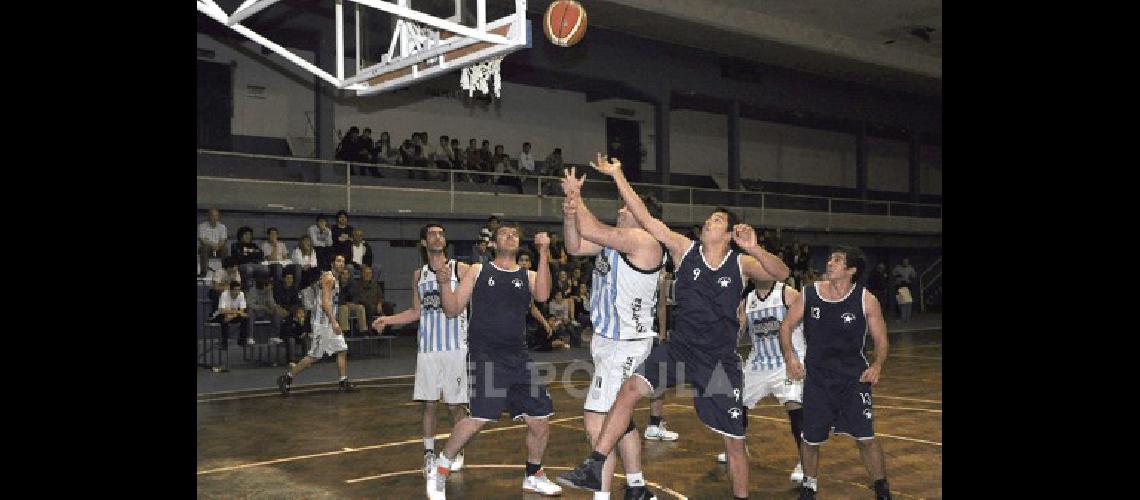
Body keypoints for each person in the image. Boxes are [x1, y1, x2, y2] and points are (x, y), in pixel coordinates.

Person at [558, 154, 790, 500]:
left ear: (728, 233)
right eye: (709, 218)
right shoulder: (684, 249)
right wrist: (618, 174)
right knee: (630, 390)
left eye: (716, 220)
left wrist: (756, 247)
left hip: (718, 360)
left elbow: (781, 274)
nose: (709, 222)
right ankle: (595, 463)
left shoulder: (741, 263)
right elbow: (644, 215)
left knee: (735, 441)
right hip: (681, 349)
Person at [424, 224, 561, 499]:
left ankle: (533, 475)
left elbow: (544, 295)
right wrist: (441, 284)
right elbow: (451, 310)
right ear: (495, 244)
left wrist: (544, 252)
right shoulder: (478, 271)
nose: (510, 235)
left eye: (514, 233)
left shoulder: (529, 274)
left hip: (518, 357)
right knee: (478, 418)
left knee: (540, 419)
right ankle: (440, 468)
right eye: (504, 233)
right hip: (486, 355)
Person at [559, 169, 669, 500]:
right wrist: (569, 212)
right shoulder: (616, 245)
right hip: (610, 343)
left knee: (597, 418)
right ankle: (636, 487)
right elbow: (576, 245)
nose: (620, 210)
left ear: (639, 216)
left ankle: (600, 493)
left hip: (627, 345)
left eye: (625, 208)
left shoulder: (644, 242)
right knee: (622, 420)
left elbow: (590, 227)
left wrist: (576, 196)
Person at [781, 246, 892, 500]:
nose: (830, 263)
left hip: (853, 379)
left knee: (866, 438)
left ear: (851, 270)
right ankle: (809, 486)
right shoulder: (809, 294)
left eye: (837, 260)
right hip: (818, 380)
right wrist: (790, 357)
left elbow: (881, 340)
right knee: (810, 439)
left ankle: (881, 487)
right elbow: (786, 326)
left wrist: (877, 366)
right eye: (830, 259)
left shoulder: (866, 299)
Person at [372, 224, 472, 476]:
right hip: (428, 350)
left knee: (454, 406)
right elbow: (416, 312)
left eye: (441, 233)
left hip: (455, 349)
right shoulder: (419, 275)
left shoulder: (460, 269)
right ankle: (429, 454)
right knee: (428, 404)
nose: (438, 237)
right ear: (424, 243)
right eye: (432, 234)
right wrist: (388, 320)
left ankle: (457, 449)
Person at [713, 280, 807, 487]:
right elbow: (737, 332)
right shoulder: (747, 301)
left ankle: (804, 462)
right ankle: (737, 447)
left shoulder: (788, 294)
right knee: (736, 402)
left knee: (794, 405)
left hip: (787, 361)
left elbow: (809, 322)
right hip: (759, 362)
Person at [276, 255, 358, 395]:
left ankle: (343, 381)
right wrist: (334, 321)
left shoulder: (335, 279)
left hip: (329, 323)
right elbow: (325, 303)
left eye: (343, 261)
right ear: (332, 264)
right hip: (323, 323)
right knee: (314, 356)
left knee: (342, 350)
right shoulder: (328, 278)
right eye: (338, 260)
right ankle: (287, 377)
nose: (341, 263)